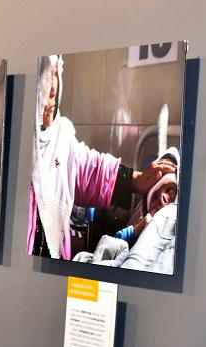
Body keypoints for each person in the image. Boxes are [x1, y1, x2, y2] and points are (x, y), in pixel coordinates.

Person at [27, 54, 176, 259]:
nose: (52, 89)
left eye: (54, 73)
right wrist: (132, 233)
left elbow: (88, 169)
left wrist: (136, 180)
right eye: (44, 77)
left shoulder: (59, 137)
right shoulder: (18, 142)